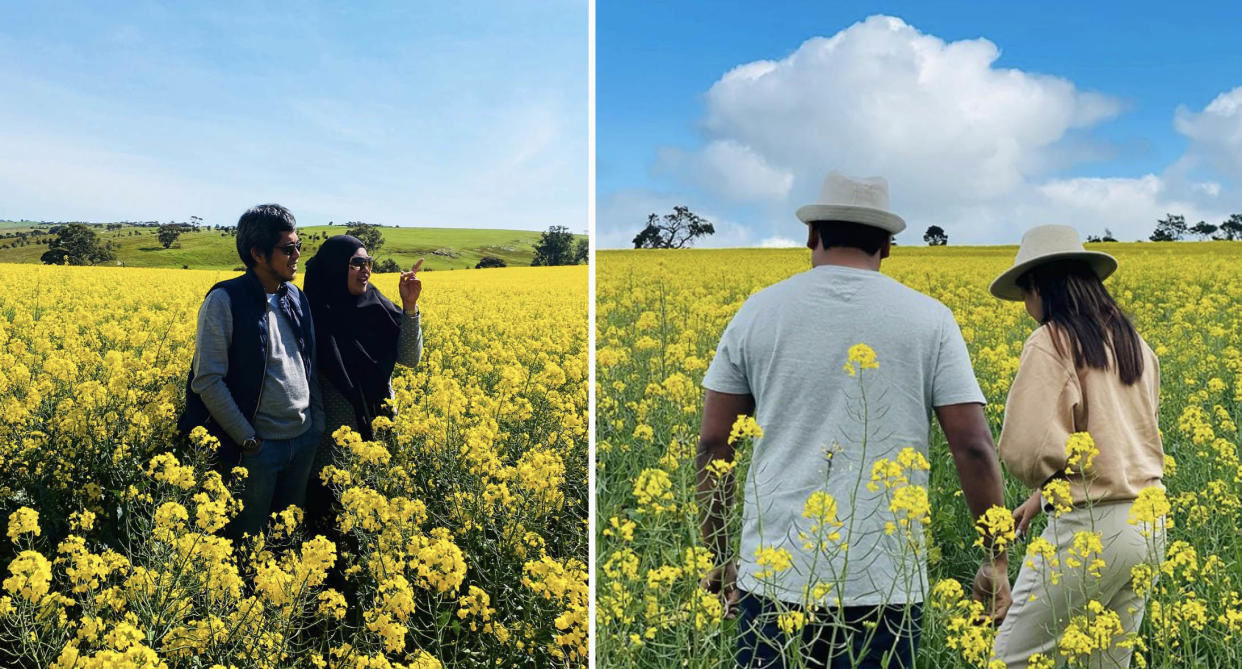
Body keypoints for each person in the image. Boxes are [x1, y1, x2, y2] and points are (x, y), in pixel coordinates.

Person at [697, 172, 1011, 669]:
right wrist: (996, 557)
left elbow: (714, 444)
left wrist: (716, 554)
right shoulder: (931, 319)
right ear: (888, 245)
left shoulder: (756, 312)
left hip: (773, 576)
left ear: (811, 234)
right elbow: (972, 446)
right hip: (885, 580)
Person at [989, 225, 1164, 668]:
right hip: (1148, 524)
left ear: (1039, 286)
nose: (1028, 310)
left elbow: (1026, 447)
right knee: (1104, 661)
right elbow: (1121, 437)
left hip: (1092, 527)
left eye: (1026, 296)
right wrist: (1045, 493)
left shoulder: (1052, 340)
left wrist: (1043, 478)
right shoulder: (1133, 343)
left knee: (1009, 658)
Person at [178, 203, 324, 541]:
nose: (297, 255)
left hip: (301, 441)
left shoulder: (295, 297)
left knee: (286, 538)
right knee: (247, 540)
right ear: (258, 253)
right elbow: (208, 379)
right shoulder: (224, 300)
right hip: (258, 449)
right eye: (288, 249)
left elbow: (308, 364)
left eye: (299, 246)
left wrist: (315, 426)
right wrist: (248, 440)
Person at [301, 235, 423, 532]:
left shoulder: (377, 306)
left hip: (378, 433)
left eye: (368, 263)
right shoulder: (310, 313)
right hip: (329, 443)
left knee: (373, 523)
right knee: (330, 523)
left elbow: (410, 358)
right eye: (357, 263)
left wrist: (410, 306)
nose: (365, 270)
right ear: (334, 267)